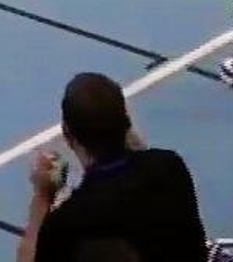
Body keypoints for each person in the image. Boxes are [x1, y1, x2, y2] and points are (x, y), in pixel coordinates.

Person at [17, 72, 206, 262]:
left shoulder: (69, 221)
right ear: (126, 122)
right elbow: (141, 159)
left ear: (67, 135)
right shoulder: (170, 166)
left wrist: (42, 196)